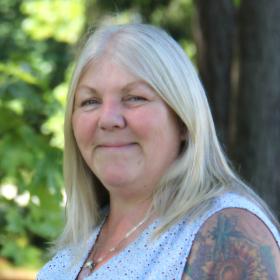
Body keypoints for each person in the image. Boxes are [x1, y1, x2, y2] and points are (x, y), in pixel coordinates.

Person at [37, 23, 280, 280]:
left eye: (134, 98)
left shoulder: (226, 234)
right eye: (90, 101)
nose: (108, 119)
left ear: (184, 121)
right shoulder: (74, 251)